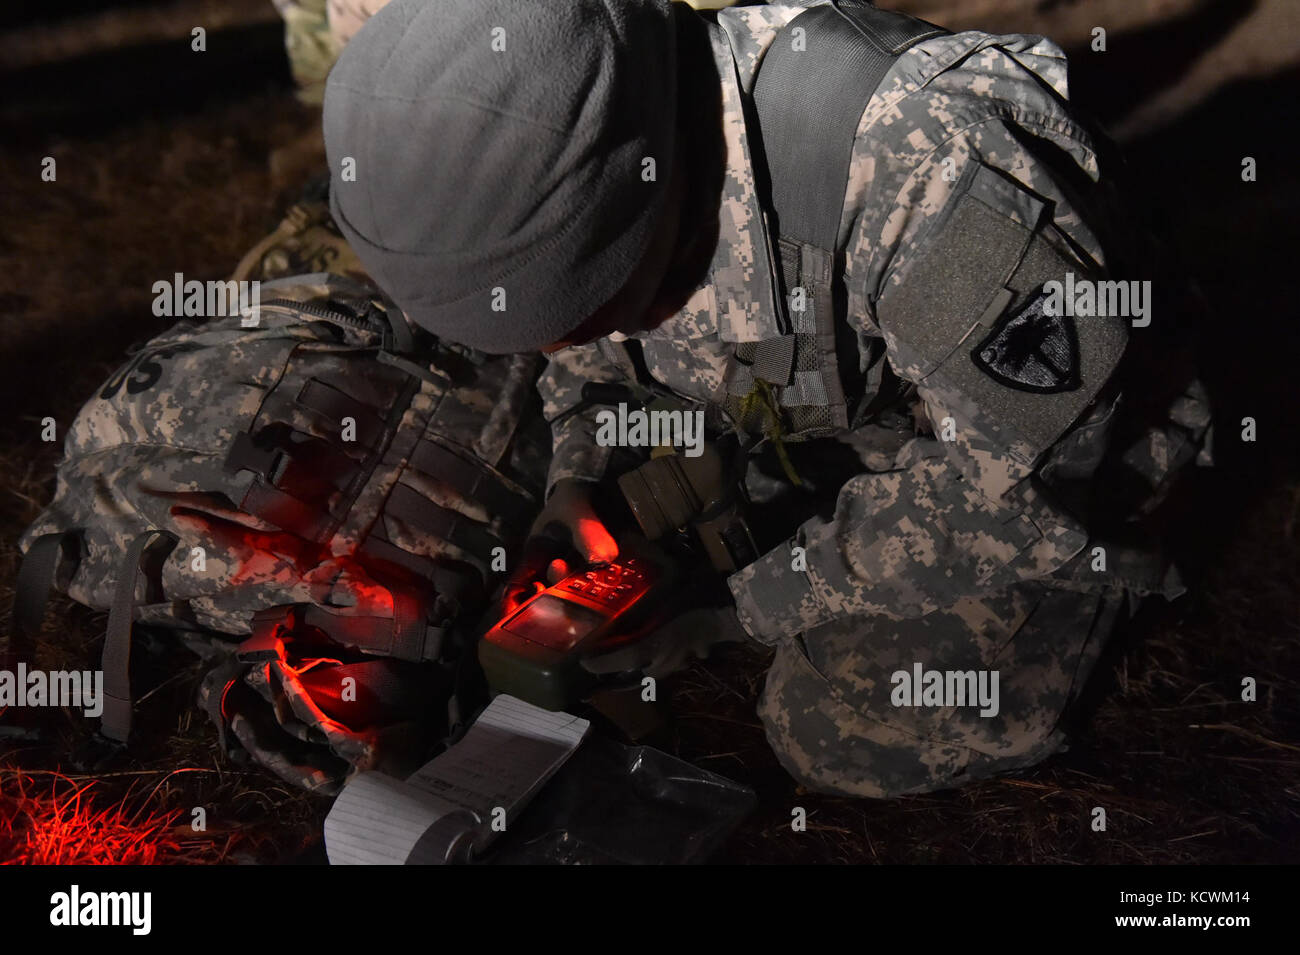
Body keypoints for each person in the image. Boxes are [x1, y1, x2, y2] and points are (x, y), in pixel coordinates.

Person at [320, 0, 1211, 798]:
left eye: (576, 310)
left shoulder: (925, 162)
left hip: (1074, 457)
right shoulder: (613, 154)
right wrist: (578, 485)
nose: (556, 346)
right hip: (850, 412)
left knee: (839, 725)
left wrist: (745, 609)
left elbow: (1023, 485)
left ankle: (1118, 575)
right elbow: (593, 366)